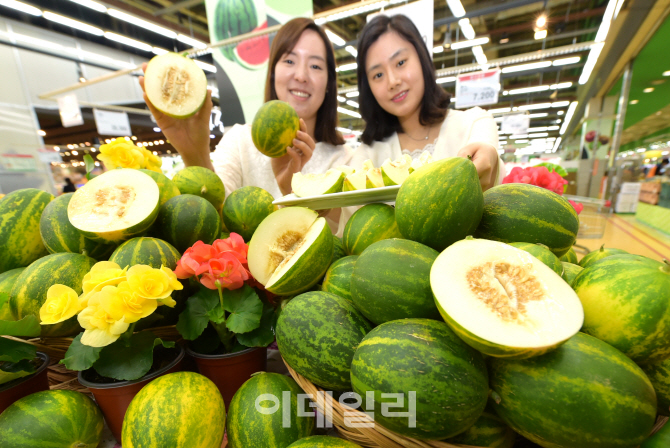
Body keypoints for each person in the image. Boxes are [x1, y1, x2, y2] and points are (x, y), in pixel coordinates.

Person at [139, 18, 352, 231]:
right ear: (273, 73)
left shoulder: (345, 159)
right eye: (289, 61)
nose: (301, 75)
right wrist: (194, 153)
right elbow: (213, 219)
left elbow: (344, 239)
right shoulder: (239, 140)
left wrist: (294, 194)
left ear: (328, 83)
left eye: (315, 66)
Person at [352, 14, 504, 191]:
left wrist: (488, 155)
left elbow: (487, 154)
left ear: (422, 59)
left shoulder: (474, 123)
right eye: (378, 75)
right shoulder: (367, 154)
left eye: (400, 62)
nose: (393, 81)